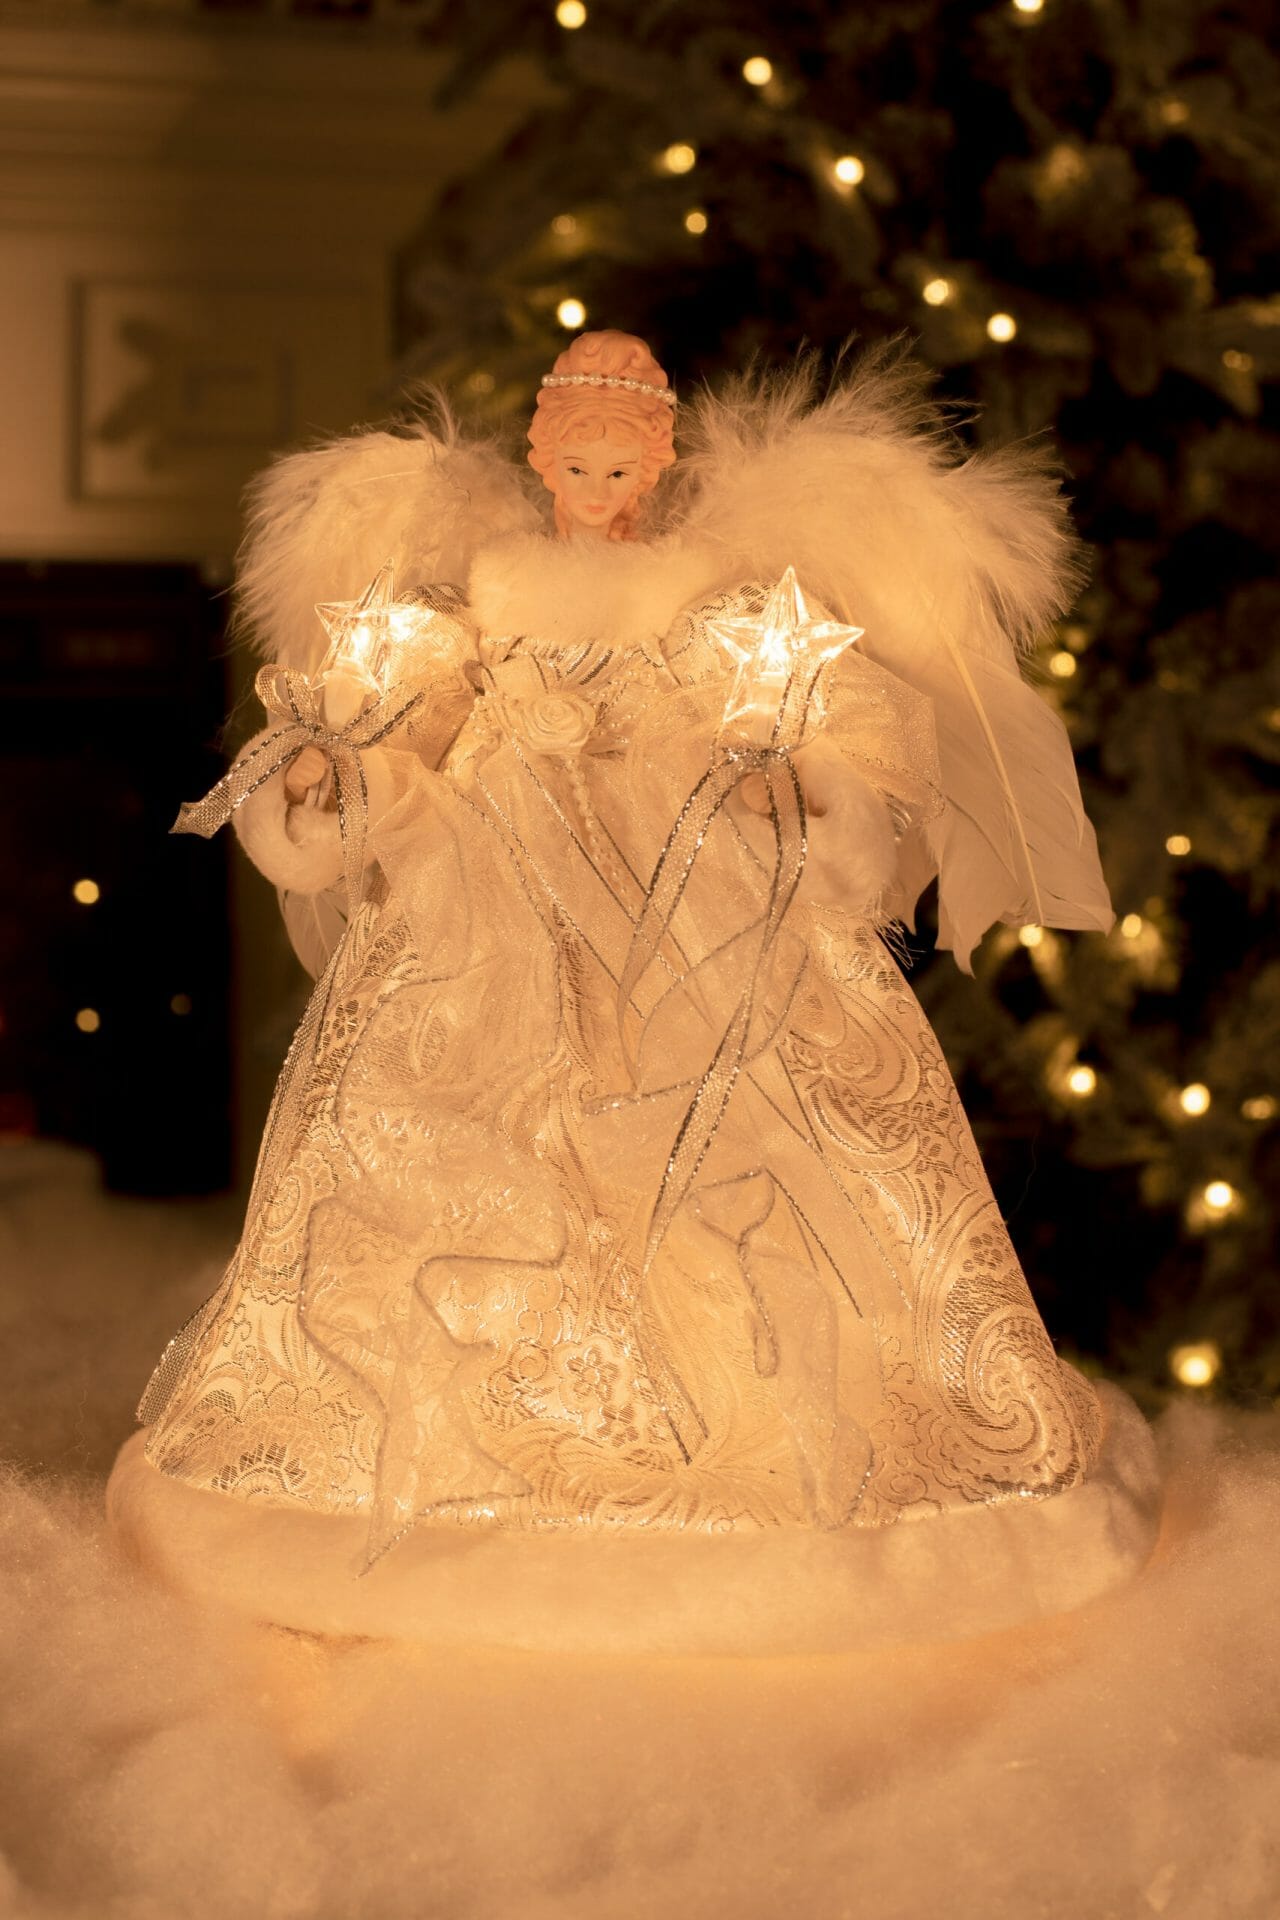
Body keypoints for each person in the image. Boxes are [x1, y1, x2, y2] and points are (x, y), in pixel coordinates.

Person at [109, 331, 1157, 1646]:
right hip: (489, 866)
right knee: (453, 1100)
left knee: (732, 1108)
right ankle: (444, 1440)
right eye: (578, 462)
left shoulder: (697, 595)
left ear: (655, 466)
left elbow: (799, 702)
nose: (599, 488)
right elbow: (404, 702)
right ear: (542, 455)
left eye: (622, 466)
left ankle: (756, 1435)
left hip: (682, 871)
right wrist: (345, 762)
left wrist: (800, 780)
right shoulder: (490, 586)